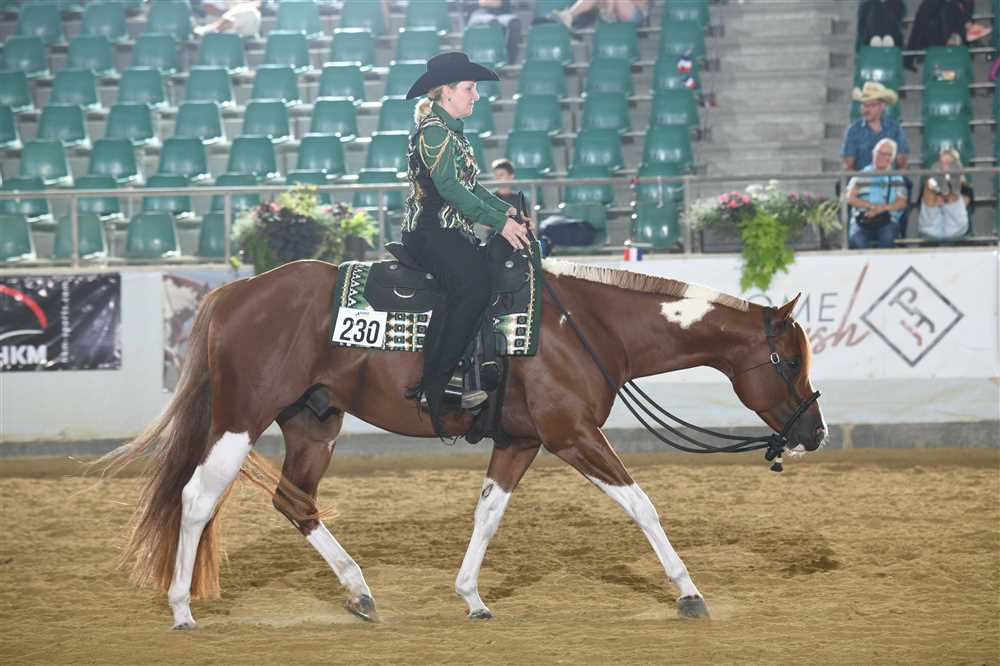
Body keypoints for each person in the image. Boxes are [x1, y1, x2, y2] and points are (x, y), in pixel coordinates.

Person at [402, 52, 530, 433]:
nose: (476, 95)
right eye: (470, 88)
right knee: (474, 286)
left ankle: (471, 368)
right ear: (446, 92)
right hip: (429, 232)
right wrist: (499, 223)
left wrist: (506, 210)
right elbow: (451, 190)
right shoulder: (435, 132)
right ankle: (438, 383)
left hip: (449, 231)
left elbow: (471, 188)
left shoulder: (451, 131)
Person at [845, 138, 908, 249]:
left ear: (891, 158)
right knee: (857, 240)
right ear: (873, 153)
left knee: (887, 237)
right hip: (862, 219)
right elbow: (849, 197)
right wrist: (871, 206)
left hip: (887, 220)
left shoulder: (897, 178)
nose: (882, 157)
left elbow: (901, 203)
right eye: (879, 152)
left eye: (887, 154)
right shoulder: (861, 175)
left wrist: (882, 208)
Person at [841, 81, 910, 171]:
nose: (866, 109)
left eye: (872, 105)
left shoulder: (895, 129)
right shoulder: (854, 130)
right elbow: (848, 166)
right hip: (862, 178)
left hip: (890, 178)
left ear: (882, 106)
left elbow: (902, 162)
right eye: (864, 105)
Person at [917, 147, 972, 239]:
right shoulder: (929, 183)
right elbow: (925, 202)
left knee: (955, 192)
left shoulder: (965, 186)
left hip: (955, 226)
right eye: (941, 162)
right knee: (928, 185)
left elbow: (964, 203)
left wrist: (942, 200)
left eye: (947, 163)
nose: (943, 166)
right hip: (931, 226)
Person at [464, 0, 522, 64]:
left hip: (501, 14)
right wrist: (481, 2)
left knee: (514, 22)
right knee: (492, 21)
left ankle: (510, 62)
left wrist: (497, 3)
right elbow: (467, 4)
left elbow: (506, 4)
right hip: (479, 14)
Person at [552, 0, 649, 30]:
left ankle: (569, 15)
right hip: (618, 13)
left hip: (636, 16)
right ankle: (569, 15)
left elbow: (641, 4)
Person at [194, 0, 261, 37]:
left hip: (244, 20)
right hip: (217, 17)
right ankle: (213, 31)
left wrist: (236, 10)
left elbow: (256, 3)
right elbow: (208, 7)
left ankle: (210, 30)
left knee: (251, 13)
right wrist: (229, 13)